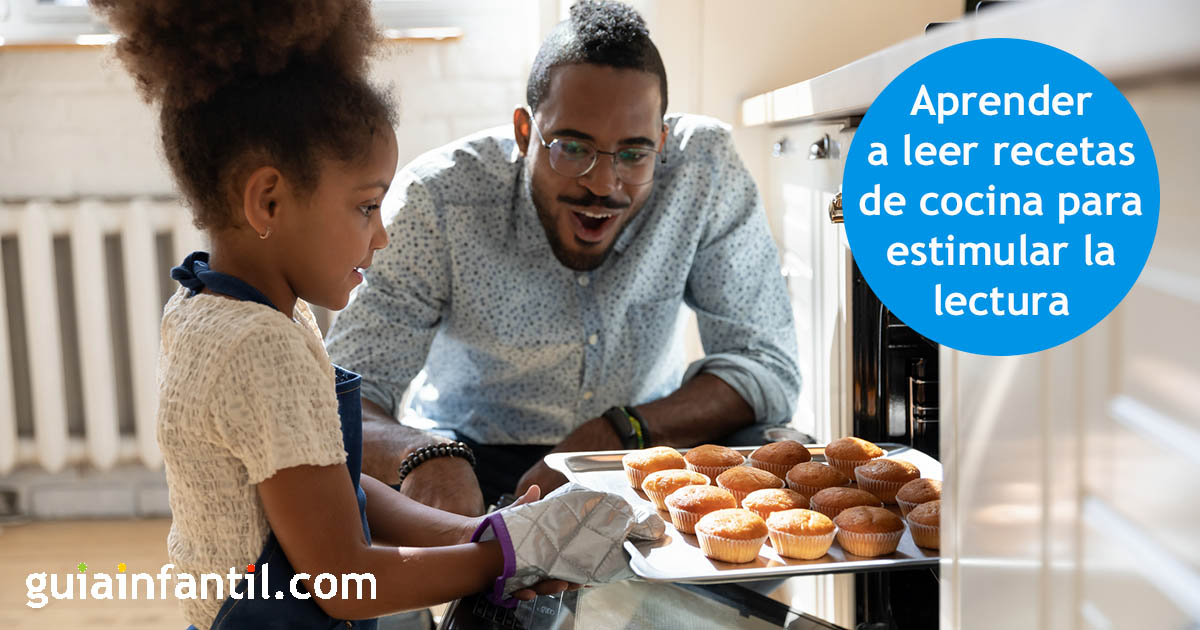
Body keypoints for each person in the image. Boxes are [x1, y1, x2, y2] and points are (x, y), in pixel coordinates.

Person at [92, 1, 661, 628]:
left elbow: (327, 487)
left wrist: (480, 532)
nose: (383, 235)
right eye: (367, 207)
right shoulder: (261, 346)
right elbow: (343, 582)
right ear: (269, 201)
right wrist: (505, 556)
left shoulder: (212, 305)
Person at [326, 0, 801, 516]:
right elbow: (343, 389)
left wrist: (616, 430)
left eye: (634, 153)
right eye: (573, 148)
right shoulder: (438, 199)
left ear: (662, 142)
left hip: (641, 444)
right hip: (468, 455)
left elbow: (766, 365)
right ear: (525, 131)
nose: (603, 184)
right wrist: (422, 455)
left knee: (783, 467)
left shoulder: (703, 169)